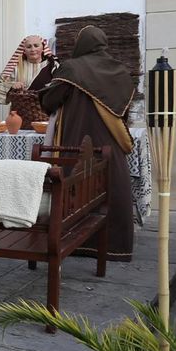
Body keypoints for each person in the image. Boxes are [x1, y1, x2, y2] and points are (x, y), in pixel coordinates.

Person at [32, 24, 135, 261]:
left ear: (81, 44)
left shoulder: (71, 68)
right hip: (109, 141)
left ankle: (74, 241)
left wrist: (44, 94)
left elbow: (50, 100)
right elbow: (124, 110)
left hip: (76, 139)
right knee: (112, 185)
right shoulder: (118, 70)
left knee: (76, 183)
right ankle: (115, 247)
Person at [0, 34, 54, 124]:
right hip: (20, 117)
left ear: (43, 48)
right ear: (24, 50)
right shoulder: (15, 67)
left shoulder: (53, 66)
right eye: (29, 47)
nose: (33, 49)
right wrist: (11, 85)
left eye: (36, 45)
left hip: (46, 117)